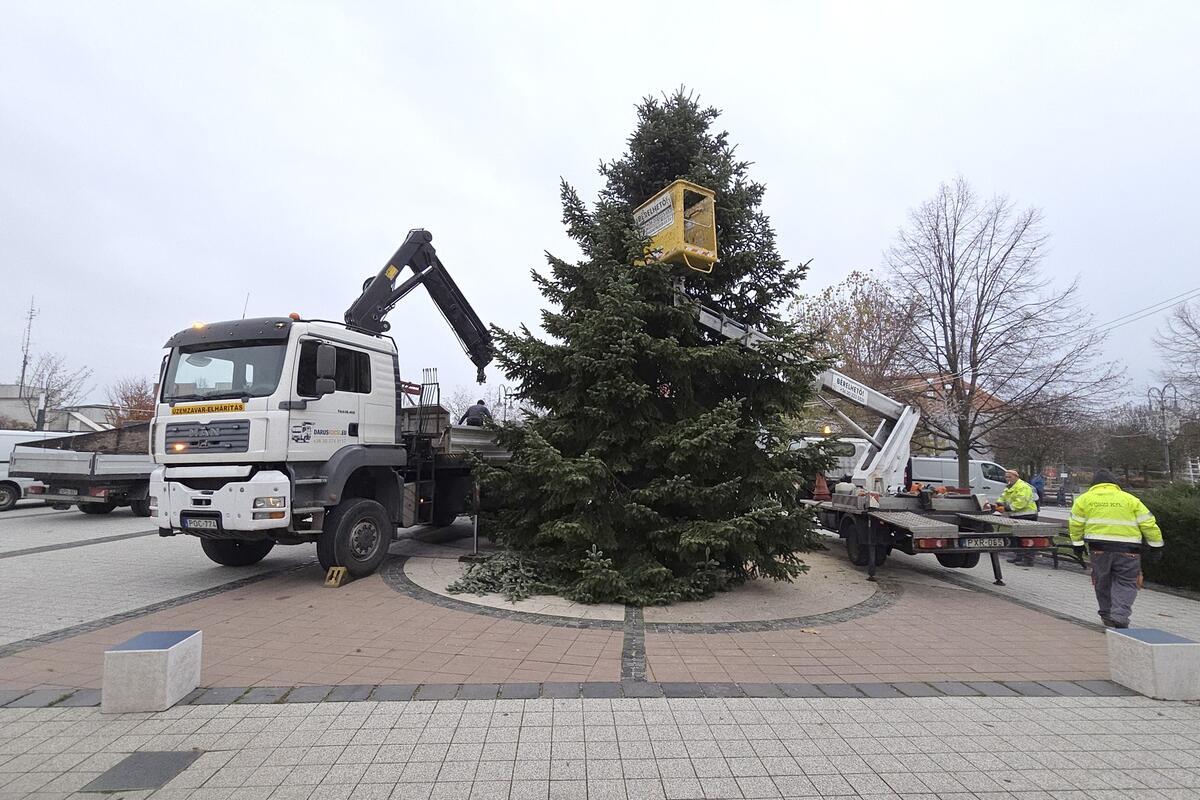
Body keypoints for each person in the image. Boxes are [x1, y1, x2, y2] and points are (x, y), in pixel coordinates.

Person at [1069, 469, 1164, 628]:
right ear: (1114, 483)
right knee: (1126, 582)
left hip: (1099, 549)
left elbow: (1076, 524)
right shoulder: (1130, 499)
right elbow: (1148, 524)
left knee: (1102, 582)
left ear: (1094, 484)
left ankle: (1106, 614)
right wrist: (1156, 546)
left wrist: (1077, 545)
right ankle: (1120, 615)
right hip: (1129, 550)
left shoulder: (1084, 499)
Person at [990, 469, 1039, 565]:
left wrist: (1005, 508)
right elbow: (1003, 497)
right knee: (1017, 537)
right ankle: (1019, 556)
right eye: (1006, 477)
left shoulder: (1023, 487)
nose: (1007, 479)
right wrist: (998, 504)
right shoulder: (1009, 487)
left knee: (1027, 538)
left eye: (1010, 477)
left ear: (1016, 477)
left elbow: (1020, 503)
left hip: (1027, 515)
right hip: (1017, 515)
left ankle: (1028, 560)